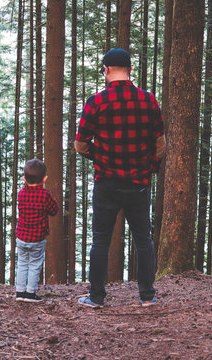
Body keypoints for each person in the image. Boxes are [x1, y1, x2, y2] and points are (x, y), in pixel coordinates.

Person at [75, 48, 166, 309]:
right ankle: (147, 296)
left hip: (107, 181)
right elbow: (160, 144)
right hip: (139, 182)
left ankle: (96, 297)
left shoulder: (96, 101)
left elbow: (81, 145)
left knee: (101, 240)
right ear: (130, 70)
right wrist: (150, 167)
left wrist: (101, 156)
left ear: (105, 70)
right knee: (143, 239)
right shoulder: (149, 100)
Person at [15, 158, 59, 303]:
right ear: (44, 179)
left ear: (24, 179)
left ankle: (19, 292)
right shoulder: (44, 195)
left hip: (21, 237)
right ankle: (30, 293)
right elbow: (54, 210)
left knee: (22, 263)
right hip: (37, 238)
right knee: (34, 265)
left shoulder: (21, 193)